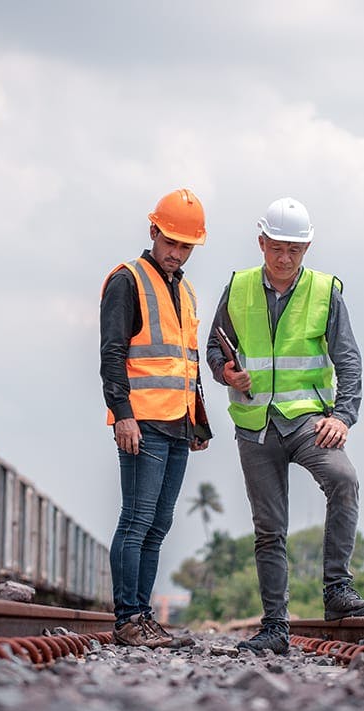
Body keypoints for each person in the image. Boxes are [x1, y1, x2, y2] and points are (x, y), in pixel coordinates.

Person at [207, 196, 364, 655]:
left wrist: (342, 417)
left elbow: (349, 360)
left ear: (307, 248)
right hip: (256, 424)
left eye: (294, 251)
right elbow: (215, 349)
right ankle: (275, 628)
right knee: (269, 527)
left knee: (343, 480)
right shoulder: (239, 287)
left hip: (306, 420)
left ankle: (337, 590)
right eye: (277, 248)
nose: (284, 259)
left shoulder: (325, 292)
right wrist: (226, 371)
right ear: (261, 242)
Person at [100, 188, 212, 648]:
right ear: (153, 232)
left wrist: (197, 422)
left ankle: (143, 615)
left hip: (177, 426)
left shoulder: (184, 290)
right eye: (171, 242)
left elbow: (186, 363)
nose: (177, 252)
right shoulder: (128, 280)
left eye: (186, 246)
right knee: (136, 520)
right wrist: (122, 414)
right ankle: (128, 618)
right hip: (142, 425)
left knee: (158, 524)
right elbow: (112, 355)